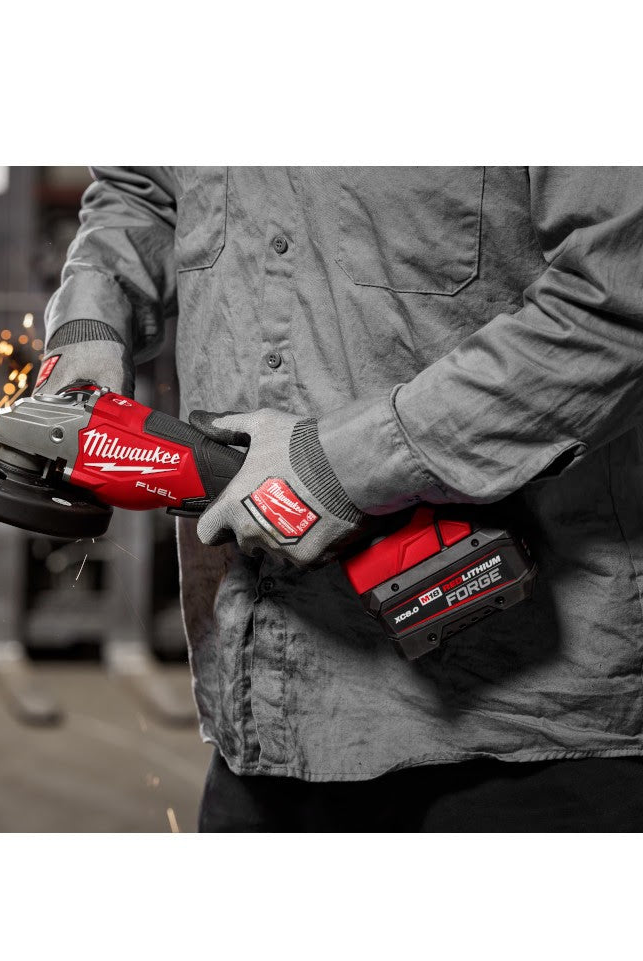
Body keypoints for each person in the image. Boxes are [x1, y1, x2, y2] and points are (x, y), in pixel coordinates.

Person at [36, 167, 643, 832]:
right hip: (259, 696)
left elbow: (618, 304)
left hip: (520, 723)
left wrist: (346, 465)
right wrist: (91, 315)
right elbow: (142, 191)